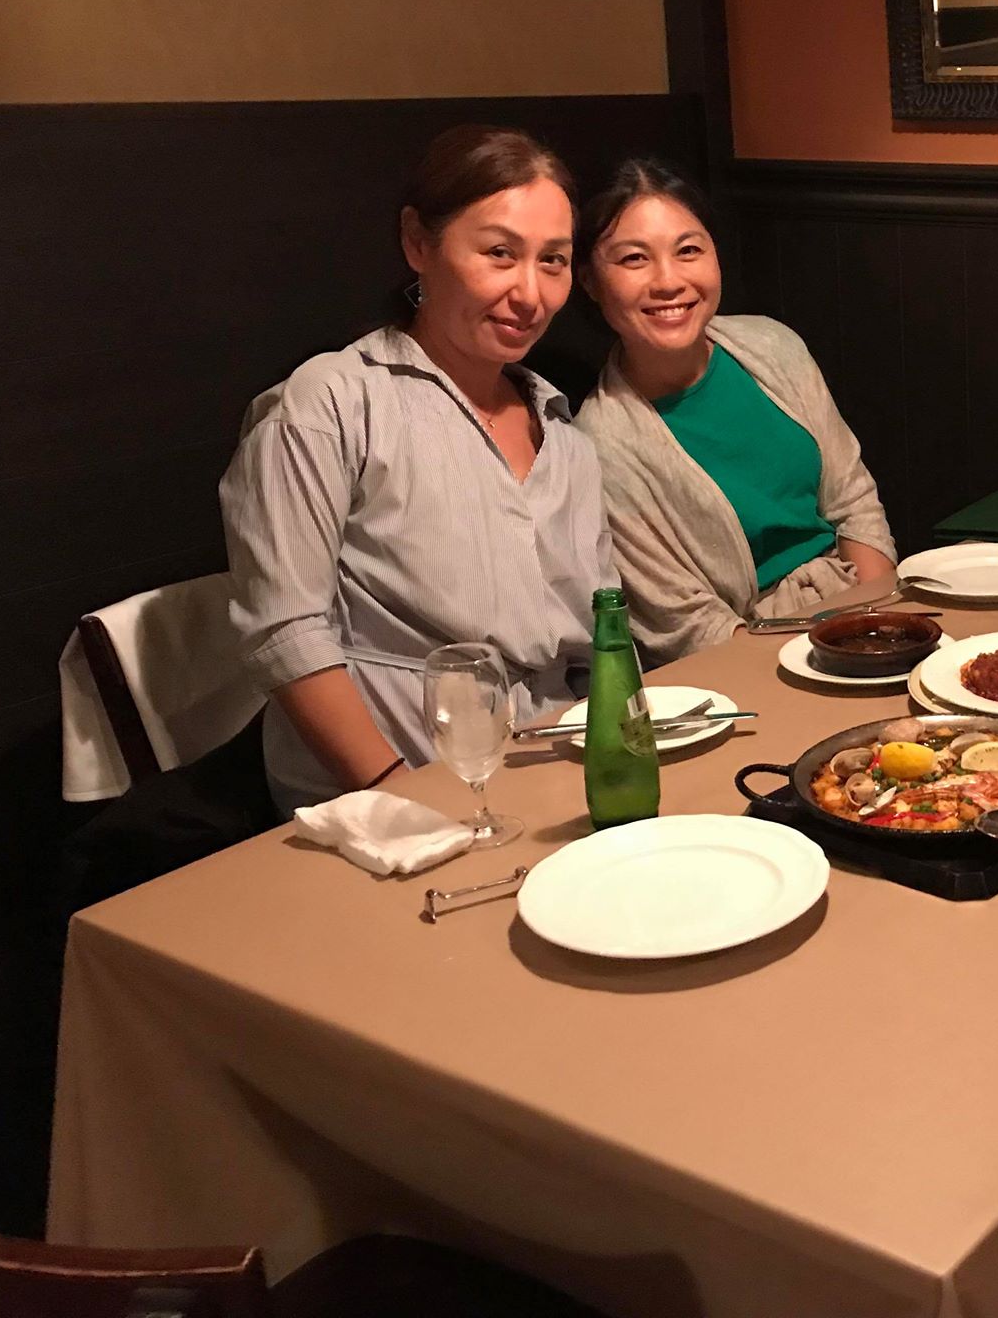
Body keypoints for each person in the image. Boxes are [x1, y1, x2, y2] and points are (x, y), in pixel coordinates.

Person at [221, 125, 613, 812]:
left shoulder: (562, 430)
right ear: (417, 244)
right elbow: (285, 632)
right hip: (392, 795)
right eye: (499, 253)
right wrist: (399, 798)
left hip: (556, 773)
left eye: (552, 261)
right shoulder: (332, 403)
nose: (530, 293)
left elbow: (597, 638)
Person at [573, 160, 895, 663]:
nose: (668, 281)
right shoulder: (600, 444)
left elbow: (855, 505)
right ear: (590, 281)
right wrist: (817, 665)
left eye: (688, 251)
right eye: (634, 259)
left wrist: (879, 629)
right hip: (751, 660)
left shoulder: (773, 346)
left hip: (861, 614)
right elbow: (687, 624)